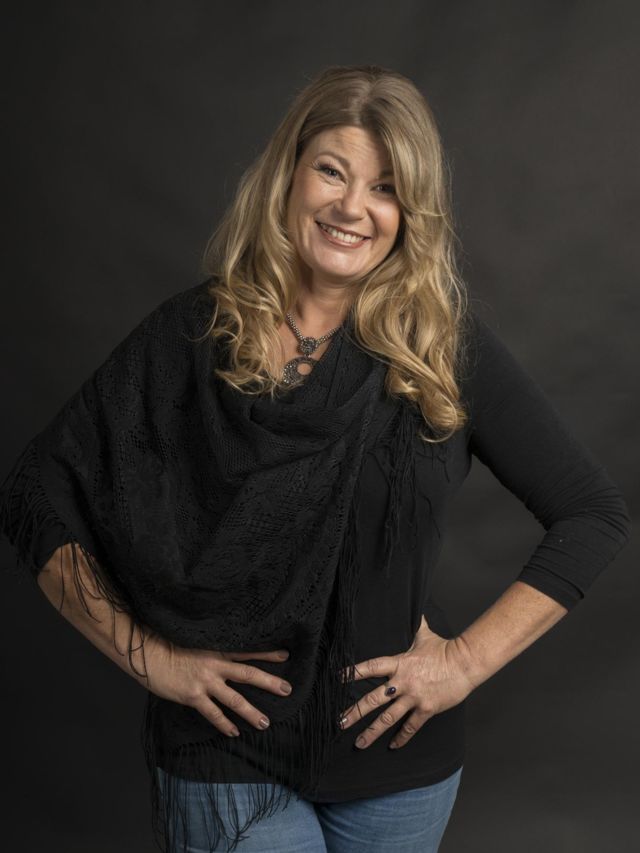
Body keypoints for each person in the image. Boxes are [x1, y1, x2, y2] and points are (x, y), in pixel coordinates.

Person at [0, 64, 630, 853]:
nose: (352, 206)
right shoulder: (194, 335)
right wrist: (152, 660)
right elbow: (36, 493)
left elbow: (593, 513)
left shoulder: (441, 350)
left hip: (399, 764)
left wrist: (464, 662)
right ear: (289, 176)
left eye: (386, 188)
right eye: (332, 171)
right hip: (226, 751)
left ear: (410, 213)